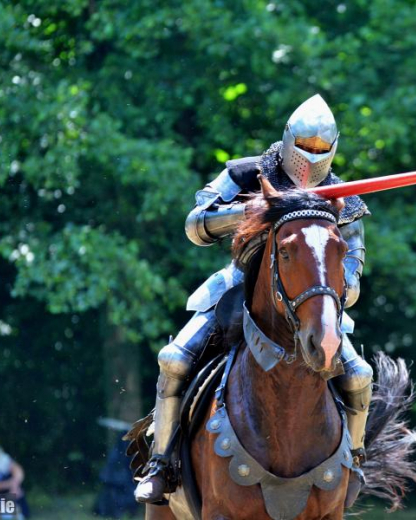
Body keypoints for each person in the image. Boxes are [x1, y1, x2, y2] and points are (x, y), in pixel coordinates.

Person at [135, 94, 373, 506]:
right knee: (175, 359)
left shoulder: (341, 193)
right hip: (240, 287)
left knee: (358, 376)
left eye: (321, 150)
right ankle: (162, 463)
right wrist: (251, 209)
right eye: (305, 147)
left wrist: (340, 289)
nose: (311, 158)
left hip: (314, 298)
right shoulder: (248, 172)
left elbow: (352, 261)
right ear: (287, 141)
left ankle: (353, 460)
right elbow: (195, 224)